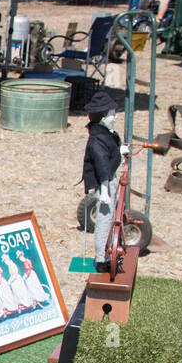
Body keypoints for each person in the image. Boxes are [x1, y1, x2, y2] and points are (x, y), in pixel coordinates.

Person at [81, 90, 129, 273]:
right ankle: (102, 258)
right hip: (105, 183)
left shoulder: (104, 134)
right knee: (104, 220)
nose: (114, 116)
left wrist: (120, 150)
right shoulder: (96, 141)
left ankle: (109, 252)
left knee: (111, 218)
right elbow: (102, 166)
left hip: (109, 180)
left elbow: (111, 152)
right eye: (111, 114)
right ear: (102, 117)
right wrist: (105, 191)